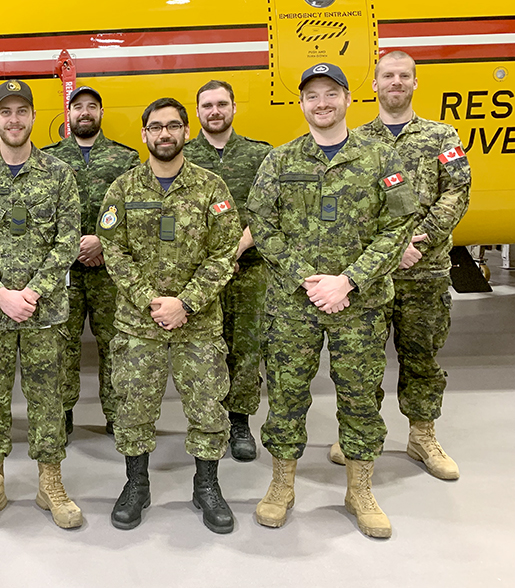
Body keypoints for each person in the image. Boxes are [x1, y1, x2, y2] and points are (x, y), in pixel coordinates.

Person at [247, 62, 417, 539]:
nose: (321, 103)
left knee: (361, 397)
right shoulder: (279, 162)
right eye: (312, 96)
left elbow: (398, 226)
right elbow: (263, 225)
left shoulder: (382, 159)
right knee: (284, 396)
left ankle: (360, 490)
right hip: (293, 304)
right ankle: (282, 485)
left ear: (347, 99)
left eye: (330, 94)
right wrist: (309, 280)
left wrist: (348, 281)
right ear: (301, 104)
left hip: (358, 306)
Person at [98, 97, 241, 533]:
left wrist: (186, 303)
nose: (165, 134)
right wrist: (150, 300)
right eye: (156, 127)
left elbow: (224, 253)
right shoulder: (122, 189)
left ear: (185, 132)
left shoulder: (211, 188)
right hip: (139, 325)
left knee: (207, 407)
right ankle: (136, 484)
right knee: (134, 408)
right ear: (144, 135)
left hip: (197, 323)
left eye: (173, 126)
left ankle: (207, 486)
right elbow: (113, 250)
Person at [327, 51, 470, 480]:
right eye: (387, 76)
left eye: (403, 76)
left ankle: (422, 435)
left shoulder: (441, 136)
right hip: (371, 275)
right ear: (373, 85)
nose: (395, 82)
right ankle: (360, 434)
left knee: (422, 356)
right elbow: (350, 208)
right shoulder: (356, 141)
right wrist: (389, 249)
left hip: (424, 270)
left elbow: (457, 192)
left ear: (414, 83)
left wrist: (415, 239)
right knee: (363, 359)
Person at [0, 79, 82, 533]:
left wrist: (33, 292)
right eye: (5, 112)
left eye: (21, 111)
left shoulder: (59, 174)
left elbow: (67, 240)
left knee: (48, 398)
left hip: (43, 312)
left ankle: (51, 482)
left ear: (32, 116)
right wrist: (1, 294)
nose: (13, 119)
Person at [182, 80, 272, 461]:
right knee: (204, 350)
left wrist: (235, 250)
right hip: (200, 276)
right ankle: (207, 420)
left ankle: (239, 421)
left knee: (246, 348)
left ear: (234, 107)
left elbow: (267, 210)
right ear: (198, 112)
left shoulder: (259, 155)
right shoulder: (182, 156)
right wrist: (215, 261)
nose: (214, 111)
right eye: (207, 106)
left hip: (248, 270)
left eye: (221, 104)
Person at [42, 85, 139, 437]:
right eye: (78, 106)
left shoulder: (123, 159)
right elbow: (43, 216)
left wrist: (103, 242)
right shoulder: (48, 160)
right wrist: (72, 248)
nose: (85, 112)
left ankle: (116, 415)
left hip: (109, 271)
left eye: (92, 107)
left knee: (115, 343)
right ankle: (64, 413)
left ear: (101, 113)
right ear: (68, 115)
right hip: (62, 271)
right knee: (61, 344)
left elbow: (134, 210)